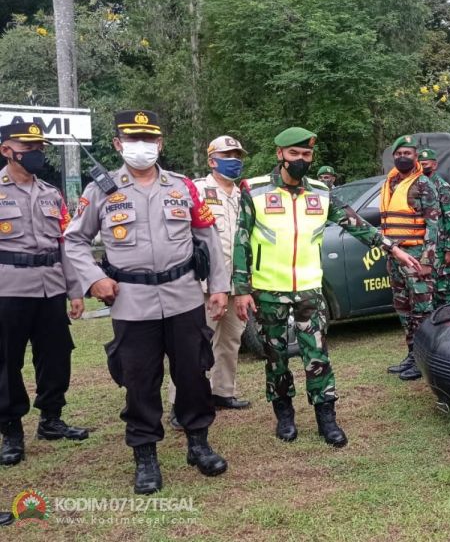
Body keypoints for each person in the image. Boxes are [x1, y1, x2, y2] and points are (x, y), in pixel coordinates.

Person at [64, 110, 231, 495]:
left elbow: (206, 236)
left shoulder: (182, 187)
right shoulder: (101, 191)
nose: (143, 146)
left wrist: (219, 285)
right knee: (139, 379)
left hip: (184, 295)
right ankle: (145, 455)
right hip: (131, 301)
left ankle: (198, 443)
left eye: (150, 139)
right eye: (133, 139)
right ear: (118, 145)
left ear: (160, 144)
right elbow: (73, 240)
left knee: (192, 372)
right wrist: (95, 278)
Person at [232, 127, 422, 445]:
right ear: (280, 154)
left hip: (309, 289)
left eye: (306, 155)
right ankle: (285, 416)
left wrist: (393, 248)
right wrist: (240, 288)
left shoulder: (321, 192)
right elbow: (240, 241)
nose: (301, 160)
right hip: (268, 291)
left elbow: (356, 224)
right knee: (276, 359)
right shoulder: (255, 190)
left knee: (317, 356)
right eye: (294, 154)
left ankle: (327, 419)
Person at [0, 122, 87, 470]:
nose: (37, 152)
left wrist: (75, 289)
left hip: (51, 286)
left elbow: (64, 244)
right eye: (29, 146)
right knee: (7, 361)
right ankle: (11, 430)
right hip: (9, 288)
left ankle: (51, 418)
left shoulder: (51, 193)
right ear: (7, 149)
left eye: (40, 146)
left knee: (56, 354)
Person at [168, 135, 252, 431]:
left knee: (231, 339)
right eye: (227, 155)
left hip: (236, 281)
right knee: (193, 345)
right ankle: (181, 404)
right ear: (211, 160)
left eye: (238, 155)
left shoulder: (244, 193)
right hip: (204, 283)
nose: (234, 161)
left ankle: (222, 392)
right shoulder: (196, 190)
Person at [382, 136, 440, 381]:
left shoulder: (424, 184)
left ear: (416, 157)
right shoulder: (391, 182)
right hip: (396, 257)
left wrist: (427, 261)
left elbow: (434, 225)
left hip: (417, 257)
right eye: (399, 153)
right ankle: (411, 354)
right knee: (404, 308)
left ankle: (425, 359)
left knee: (422, 309)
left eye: (408, 153)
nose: (403, 157)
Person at [418, 148, 450, 307]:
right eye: (420, 164)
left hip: (440, 247)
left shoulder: (441, 186)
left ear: (434, 165)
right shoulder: (417, 185)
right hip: (423, 245)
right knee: (426, 289)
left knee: (442, 290)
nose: (422, 166)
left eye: (425, 164)